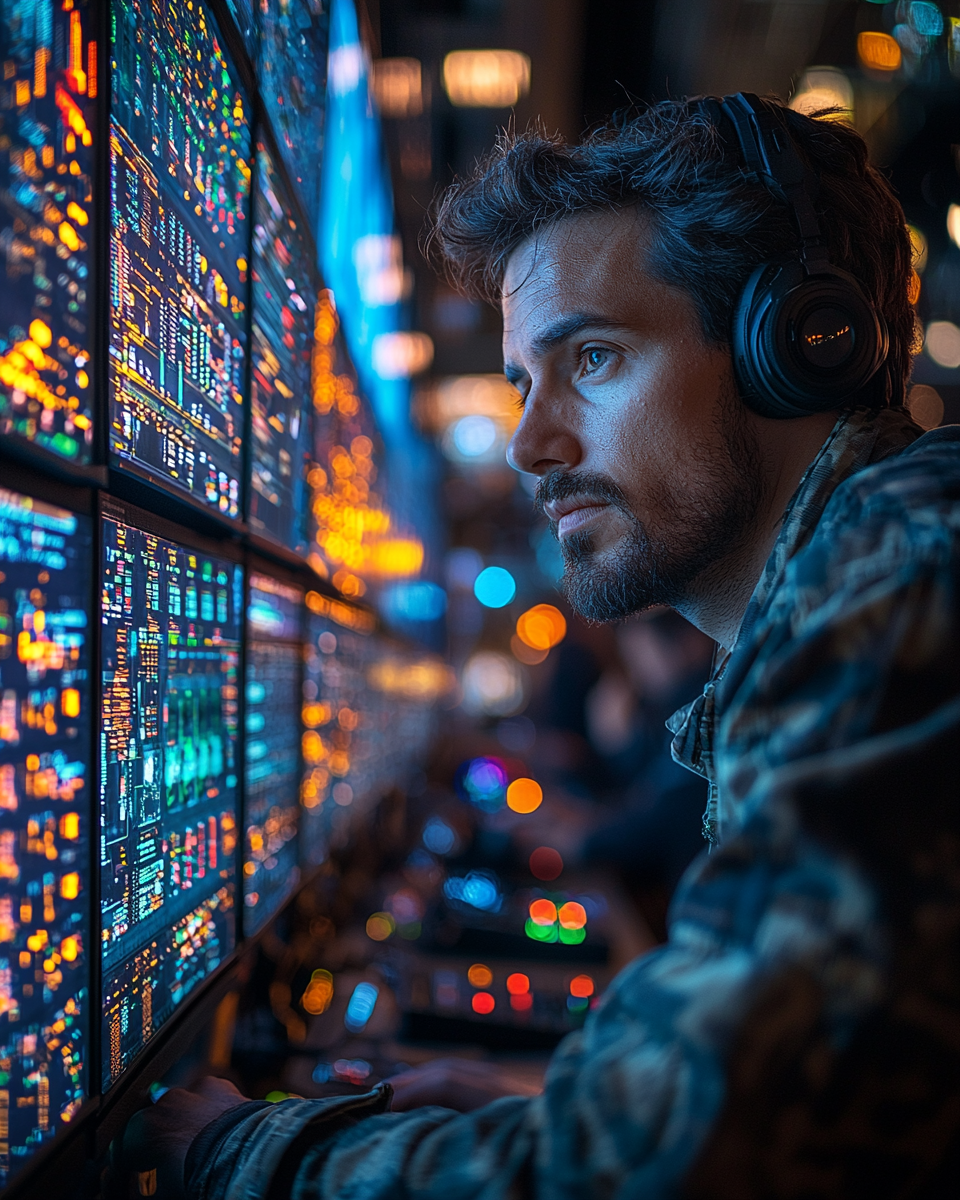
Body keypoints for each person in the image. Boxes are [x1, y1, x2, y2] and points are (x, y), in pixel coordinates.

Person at [121, 94, 960, 1198]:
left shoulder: (900, 569)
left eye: (596, 358)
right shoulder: (854, 582)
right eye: (524, 383)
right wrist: (567, 1098)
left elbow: (670, 1169)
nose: (529, 445)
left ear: (796, 344)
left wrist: (246, 1153)